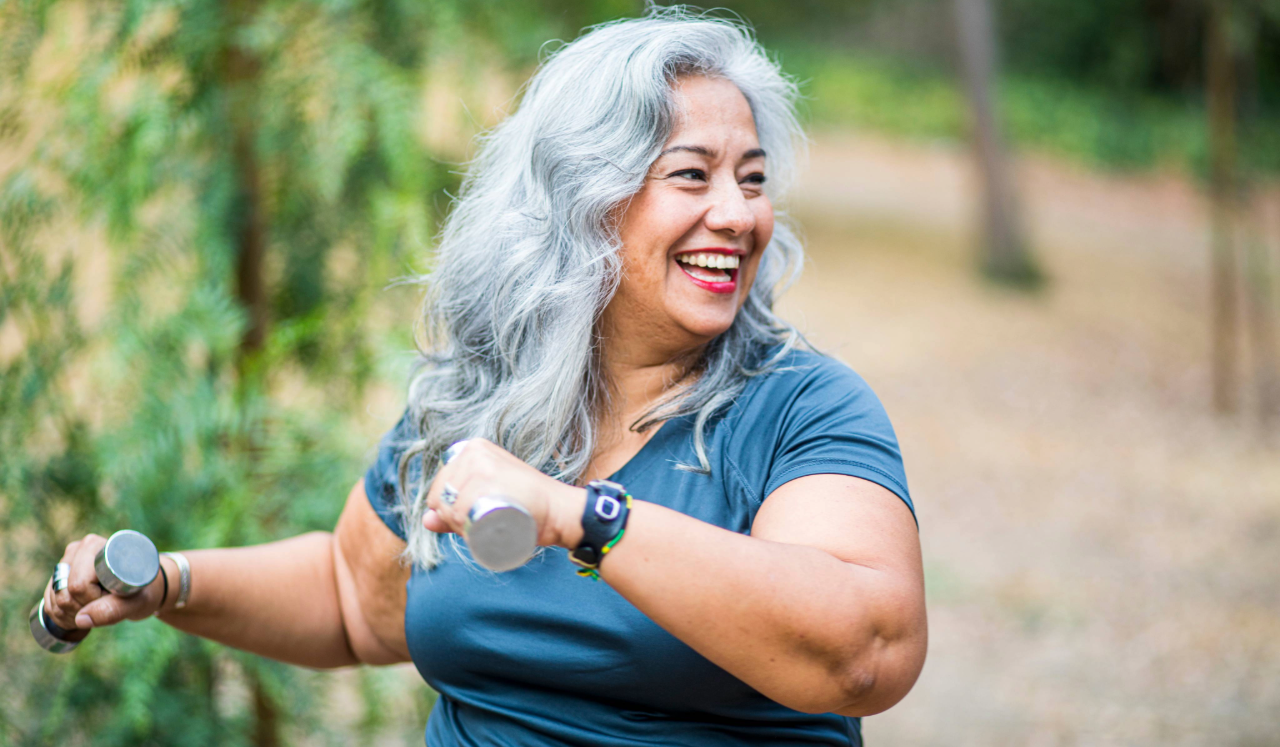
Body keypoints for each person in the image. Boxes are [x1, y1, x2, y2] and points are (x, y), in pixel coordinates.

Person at [43, 8, 926, 745]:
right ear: (583, 200)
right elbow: (354, 598)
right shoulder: (482, 394)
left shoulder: (801, 407)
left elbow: (865, 651)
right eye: (692, 176)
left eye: (753, 179)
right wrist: (168, 582)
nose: (738, 214)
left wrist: (582, 519)